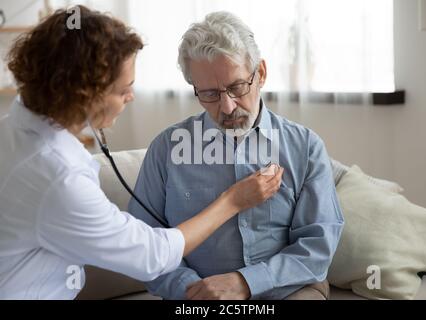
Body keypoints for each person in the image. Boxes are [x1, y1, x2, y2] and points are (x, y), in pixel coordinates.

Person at [0, 7, 283, 300]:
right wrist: (233, 200)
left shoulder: (11, 132)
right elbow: (152, 256)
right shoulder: (59, 178)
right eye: (124, 90)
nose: (131, 97)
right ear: (87, 96)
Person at [129, 11, 345, 300]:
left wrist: (244, 283)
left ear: (261, 74)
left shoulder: (305, 148)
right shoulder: (166, 151)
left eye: (236, 87)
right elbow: (144, 245)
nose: (228, 107)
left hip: (288, 291)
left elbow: (317, 248)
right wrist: (194, 291)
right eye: (209, 94)